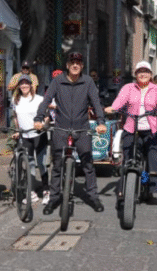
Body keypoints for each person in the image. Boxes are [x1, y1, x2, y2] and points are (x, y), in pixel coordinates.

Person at [34, 52, 107, 214]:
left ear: (82, 66)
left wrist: (101, 122)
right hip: (61, 128)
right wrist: (39, 118)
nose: (75, 65)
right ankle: (53, 199)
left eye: (78, 63)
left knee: (88, 165)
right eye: (72, 62)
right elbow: (46, 100)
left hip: (82, 128)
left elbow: (96, 102)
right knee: (57, 165)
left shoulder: (87, 81)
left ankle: (93, 197)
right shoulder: (57, 81)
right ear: (67, 65)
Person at [105, 61, 157, 210]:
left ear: (151, 74)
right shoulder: (128, 88)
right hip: (131, 128)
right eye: (140, 71)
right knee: (128, 160)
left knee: (155, 161)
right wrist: (112, 108)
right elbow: (119, 102)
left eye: (146, 71)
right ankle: (123, 192)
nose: (143, 74)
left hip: (152, 130)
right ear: (135, 74)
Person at [11, 73, 50, 206]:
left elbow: (47, 117)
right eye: (21, 84)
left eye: (26, 83)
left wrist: (43, 125)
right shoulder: (15, 100)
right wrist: (17, 130)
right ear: (19, 86)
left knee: (41, 164)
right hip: (25, 136)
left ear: (31, 85)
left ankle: (46, 191)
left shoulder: (39, 99)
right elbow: (16, 117)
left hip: (38, 135)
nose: (24, 86)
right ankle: (31, 192)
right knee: (29, 165)